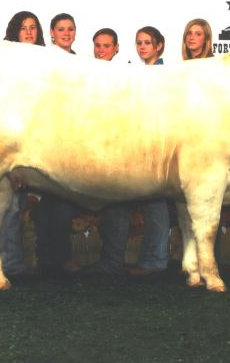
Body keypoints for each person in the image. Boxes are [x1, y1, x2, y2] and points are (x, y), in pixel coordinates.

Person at [84, 26, 170, 277]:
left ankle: (154, 261)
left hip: (157, 147)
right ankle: (113, 260)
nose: (142, 47)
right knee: (118, 202)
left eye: (147, 43)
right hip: (130, 146)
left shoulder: (166, 75)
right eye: (139, 43)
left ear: (159, 46)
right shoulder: (133, 73)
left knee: (155, 204)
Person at [30, 12, 80, 277]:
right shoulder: (42, 61)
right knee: (46, 202)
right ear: (51, 32)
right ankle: (46, 256)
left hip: (71, 140)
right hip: (43, 138)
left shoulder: (83, 64)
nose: (66, 33)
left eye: (70, 29)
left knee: (62, 201)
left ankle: (60, 257)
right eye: (61, 29)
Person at [0, 11, 46, 276]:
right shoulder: (6, 65)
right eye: (23, 28)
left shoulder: (48, 64)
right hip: (12, 144)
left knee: (33, 206)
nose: (29, 32)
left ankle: (38, 262)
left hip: (42, 145)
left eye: (33, 27)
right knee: (11, 205)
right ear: (14, 32)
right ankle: (11, 264)